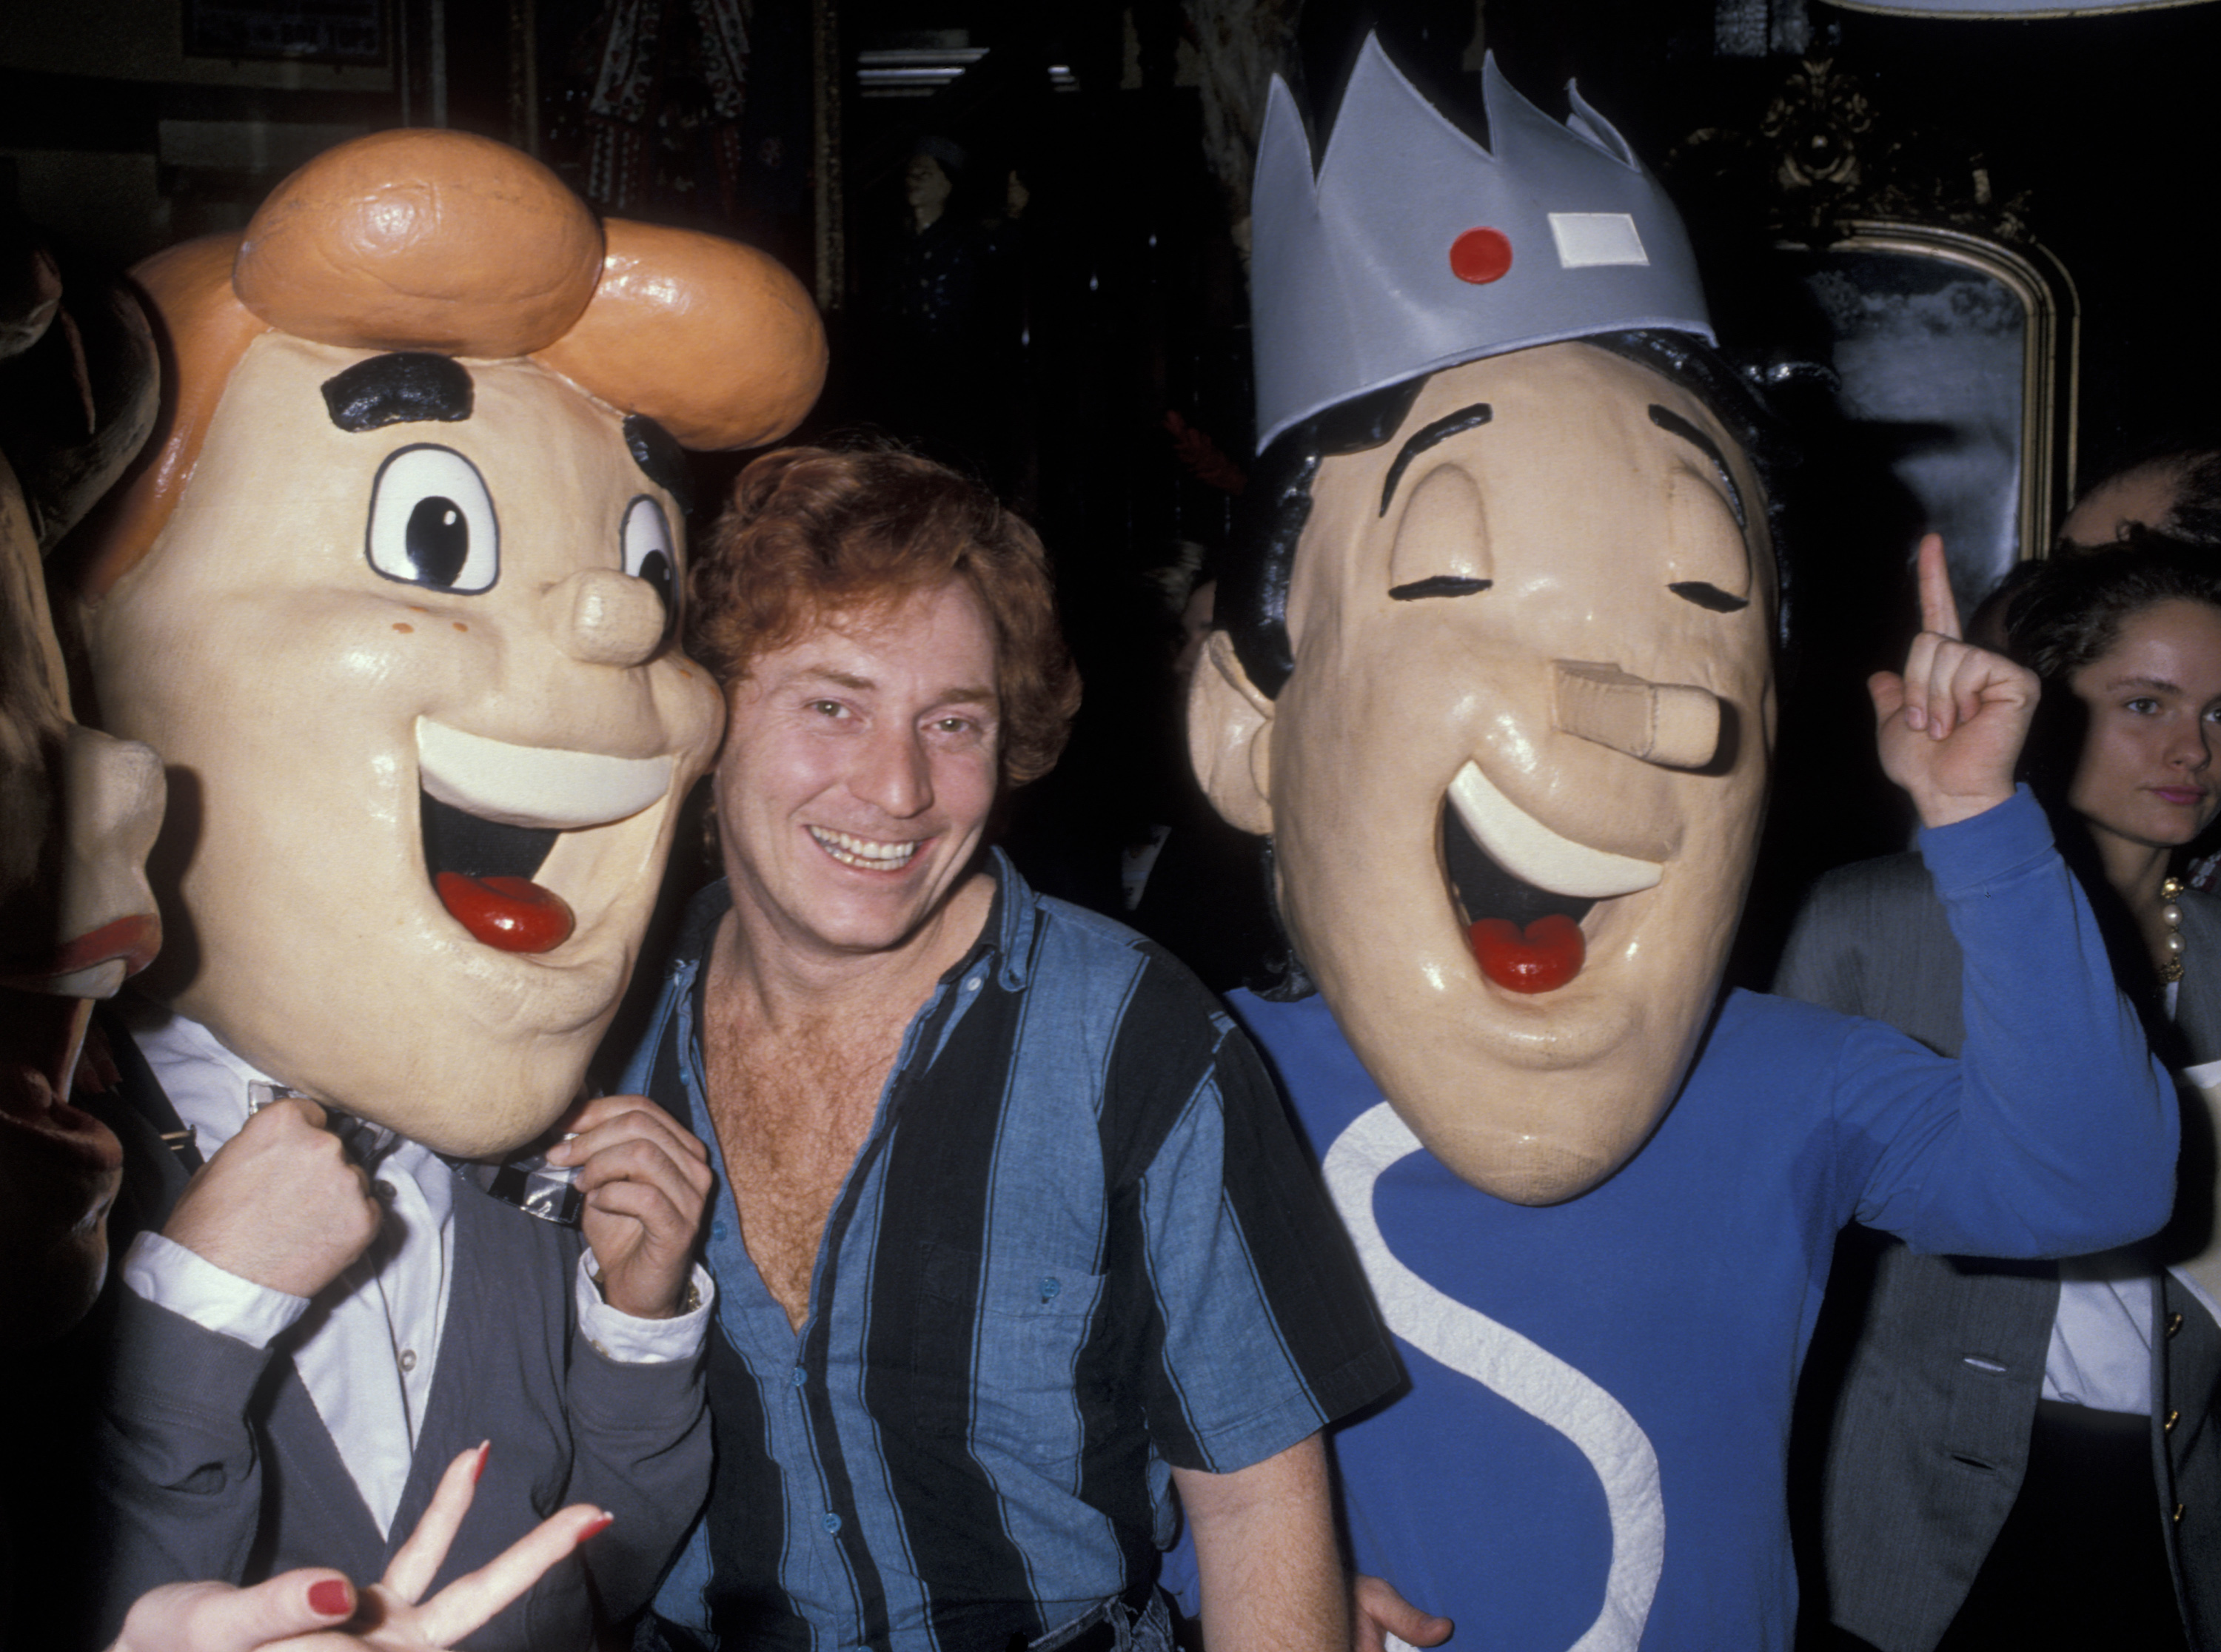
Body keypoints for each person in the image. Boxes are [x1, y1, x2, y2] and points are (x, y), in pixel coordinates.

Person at [1186, 36, 2176, 1650]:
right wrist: (1221, 1588)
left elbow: (2098, 1179)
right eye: (1452, 575)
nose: (1633, 708)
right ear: (1249, 734)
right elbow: (1039, 1434)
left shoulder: (1790, 1079)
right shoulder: (1181, 1091)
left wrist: (1985, 823)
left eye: (1706, 594)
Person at [51, 127, 824, 1649]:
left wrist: (636, 1316)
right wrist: (192, 1319)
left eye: (647, 566)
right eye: (436, 534)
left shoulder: (519, 1161)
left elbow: (599, 1571)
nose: (616, 618)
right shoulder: (56, 1181)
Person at [619, 444, 1401, 1652]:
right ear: (707, 713)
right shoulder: (596, 1025)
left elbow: (1256, 1510)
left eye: (954, 722)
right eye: (833, 704)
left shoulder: (1140, 1042)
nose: (898, 788)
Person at [1779, 536, 2221, 1651]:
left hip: (2171, 1514)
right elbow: (1770, 1256)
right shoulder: (1868, 922)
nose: (2194, 750)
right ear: (2039, 709)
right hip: (1906, 1515)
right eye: (2146, 704)